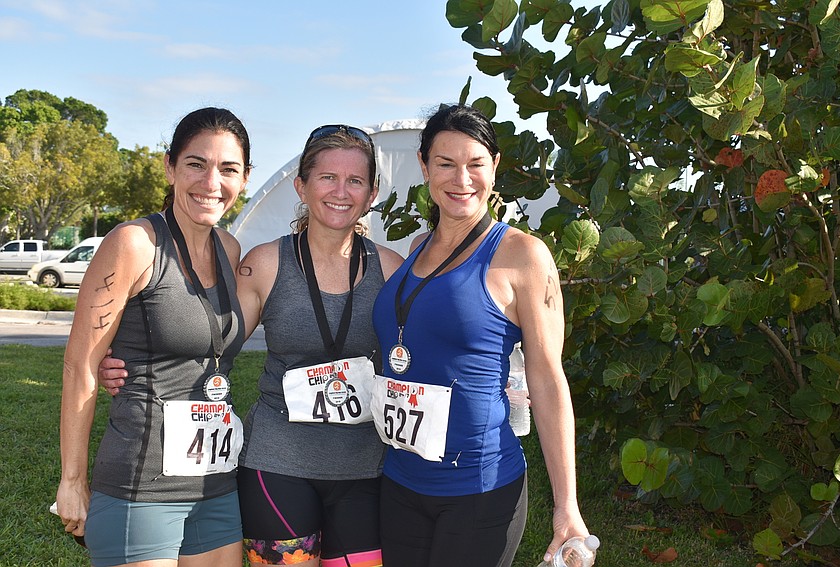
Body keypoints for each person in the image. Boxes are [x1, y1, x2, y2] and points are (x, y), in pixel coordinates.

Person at [99, 124, 403, 567]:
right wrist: (125, 361)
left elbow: (413, 356)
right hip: (277, 464)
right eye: (327, 177)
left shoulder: (390, 268)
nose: (341, 191)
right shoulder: (263, 263)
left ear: (371, 192)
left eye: (355, 180)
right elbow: (211, 344)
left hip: (363, 466)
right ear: (301, 184)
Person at [370, 104, 590, 567]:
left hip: (479, 488)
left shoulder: (522, 256)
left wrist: (566, 503)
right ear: (424, 166)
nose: (461, 179)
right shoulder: (416, 249)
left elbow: (549, 381)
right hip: (401, 482)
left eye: (475, 164)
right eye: (446, 164)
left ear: (495, 167)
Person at [56, 107, 251, 567]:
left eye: (228, 169)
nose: (211, 182)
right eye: (196, 164)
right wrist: (72, 480)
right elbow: (80, 365)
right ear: (170, 166)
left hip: (216, 480)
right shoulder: (134, 243)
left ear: (243, 178)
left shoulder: (229, 249)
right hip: (141, 485)